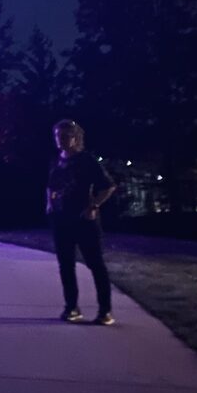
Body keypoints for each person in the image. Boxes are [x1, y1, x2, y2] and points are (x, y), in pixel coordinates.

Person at [46, 119, 118, 325]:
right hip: (61, 221)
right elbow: (50, 185)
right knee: (65, 265)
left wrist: (93, 206)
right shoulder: (55, 161)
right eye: (57, 136)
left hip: (83, 220)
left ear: (75, 138)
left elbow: (108, 186)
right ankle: (72, 308)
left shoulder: (87, 160)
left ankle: (105, 311)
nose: (60, 140)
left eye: (65, 136)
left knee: (95, 264)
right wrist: (49, 204)